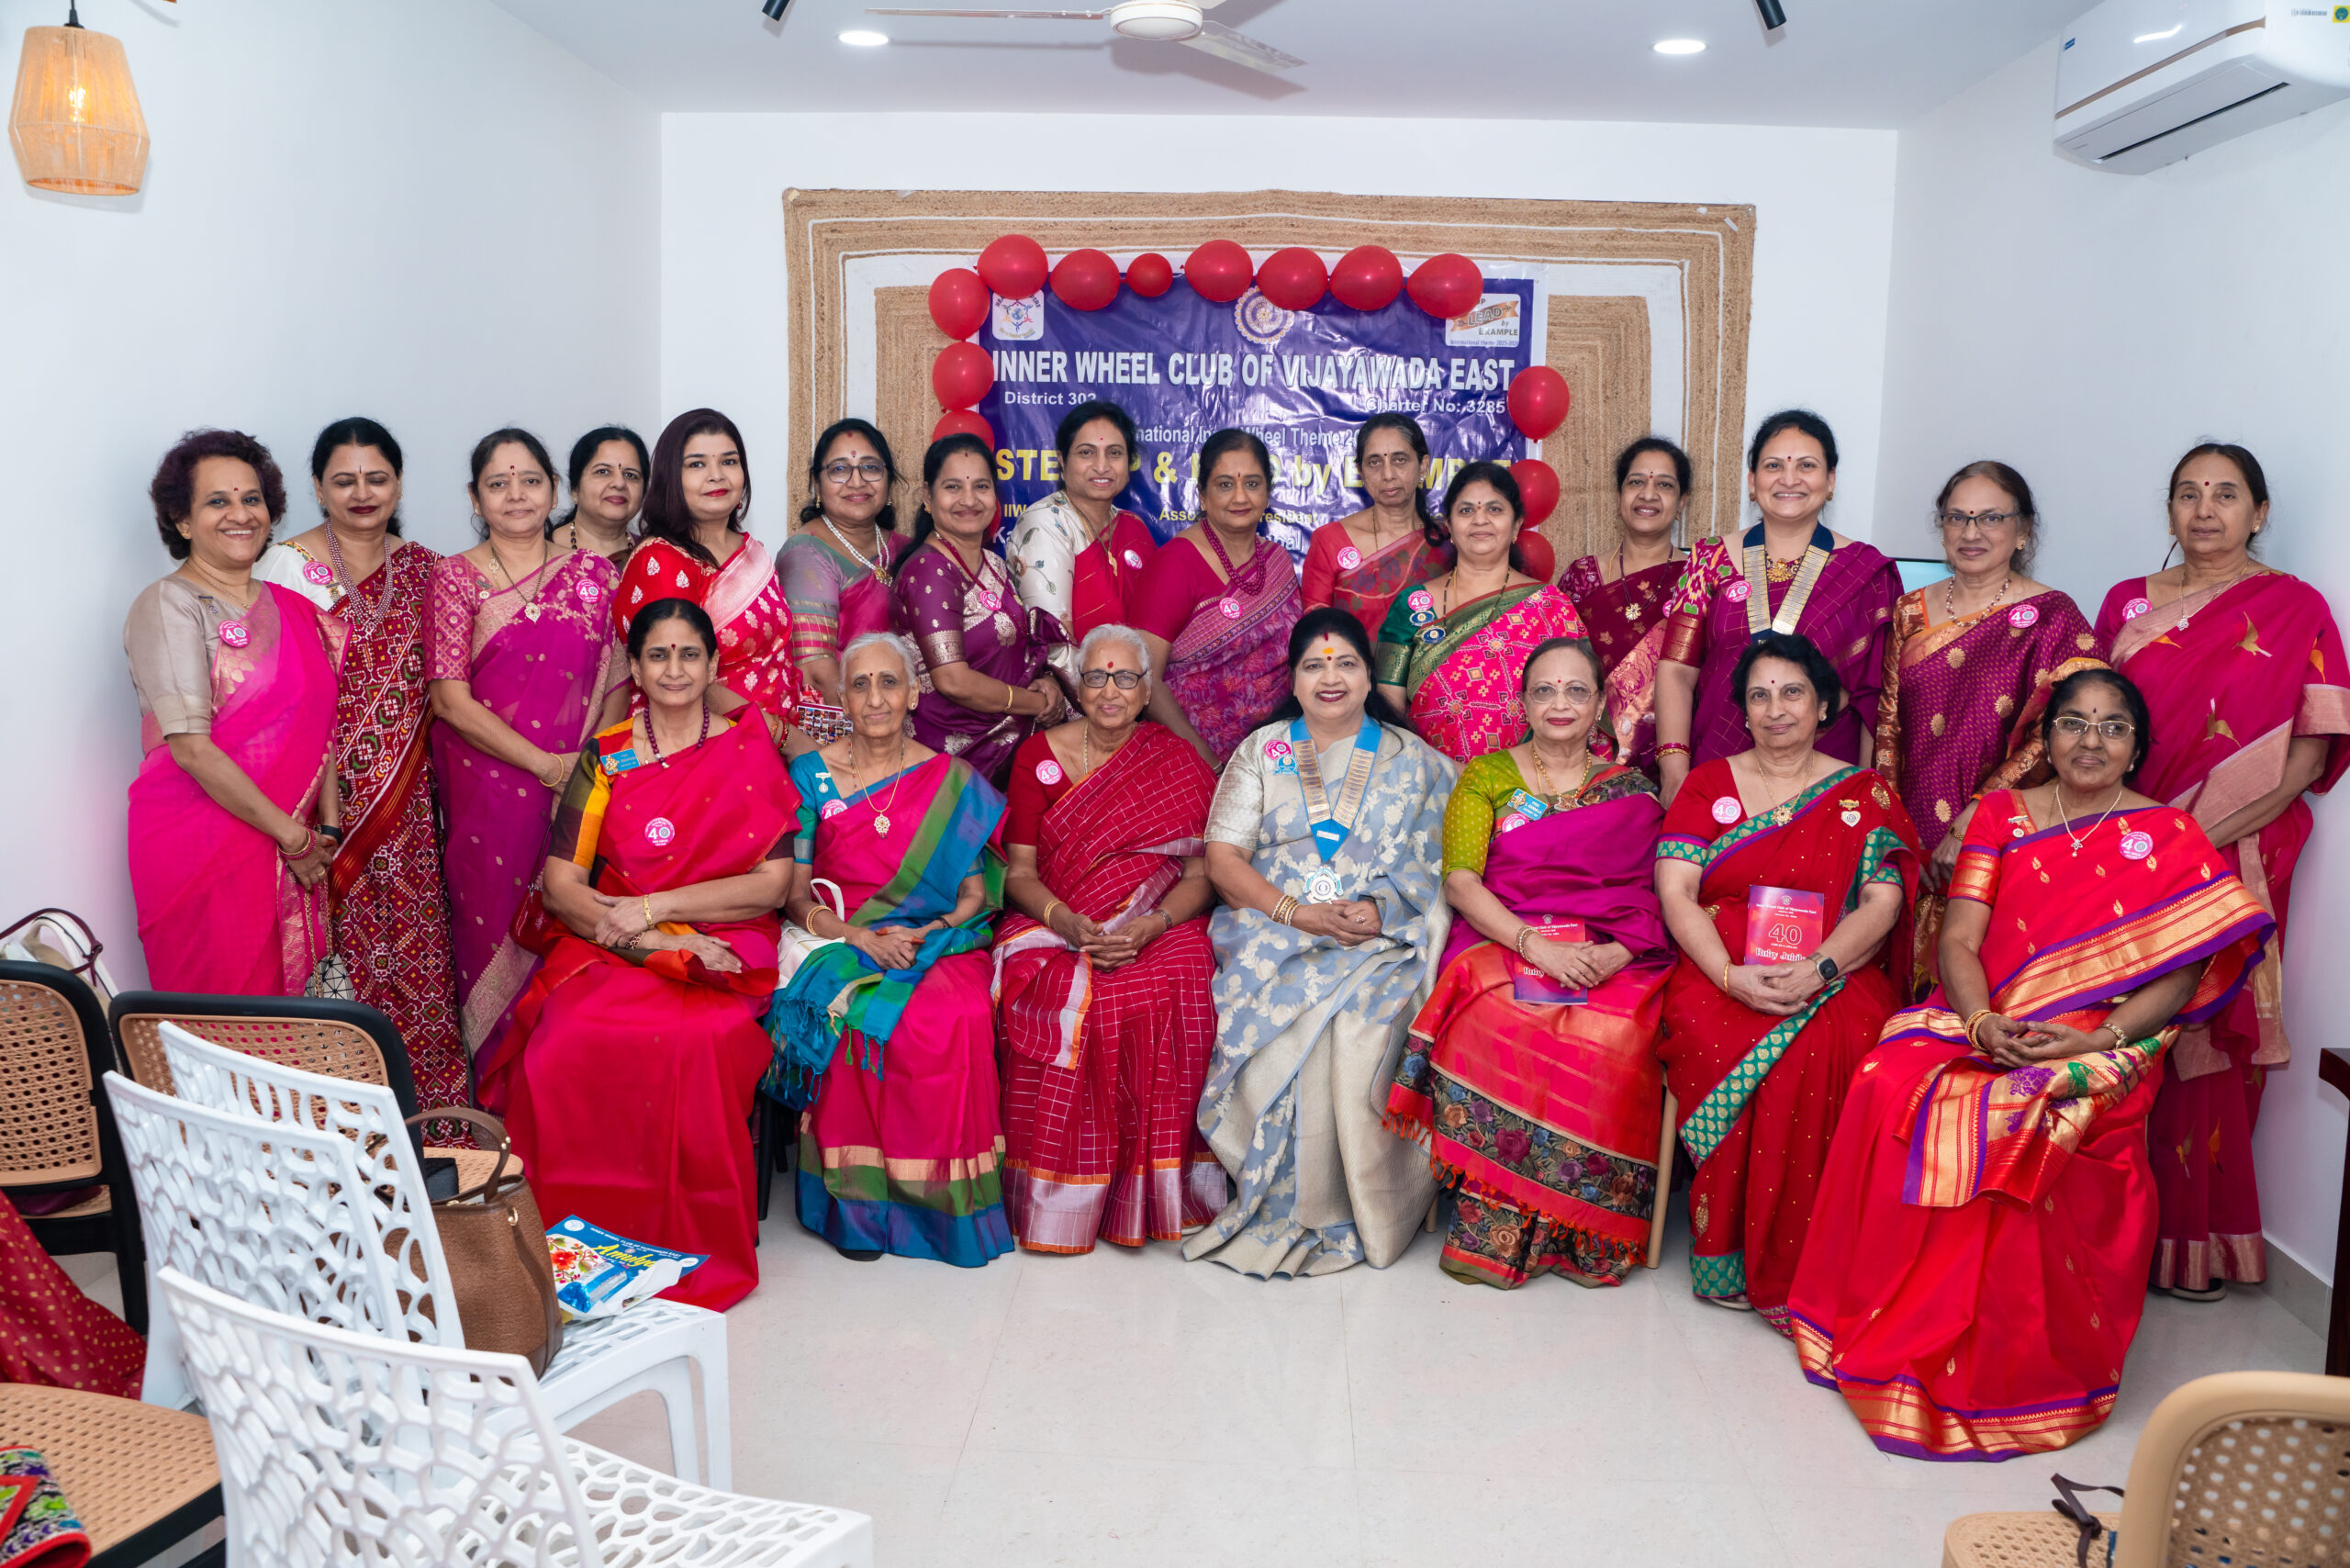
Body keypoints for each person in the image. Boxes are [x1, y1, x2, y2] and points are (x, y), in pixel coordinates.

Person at [1790, 669, 2275, 1460]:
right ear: (2046, 739)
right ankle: (1887, 1319)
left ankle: (2014, 1367)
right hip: (1983, 1015)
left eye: (2113, 727)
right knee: (1887, 1079)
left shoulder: (2169, 836)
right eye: (2074, 723)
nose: (2091, 741)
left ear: (2136, 748)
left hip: (2099, 1036)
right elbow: (1959, 939)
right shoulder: (2002, 815)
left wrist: (2097, 1040)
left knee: (2022, 1111)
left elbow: (2183, 973)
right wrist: (1981, 1022)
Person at [475, 600, 792, 1312]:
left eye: (689, 654)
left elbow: (771, 884)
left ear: (713, 665)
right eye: (658, 655)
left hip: (724, 936)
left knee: (701, 1039)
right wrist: (650, 936)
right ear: (638, 670)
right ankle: (572, 1250)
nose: (675, 669)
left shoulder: (746, 747)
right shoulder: (607, 754)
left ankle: (682, 1248)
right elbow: (563, 886)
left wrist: (660, 908)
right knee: (563, 1041)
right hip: (611, 938)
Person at [2093, 442, 2350, 1298]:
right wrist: (2141, 837)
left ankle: (2189, 1244)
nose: (2205, 510)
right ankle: (2096, 1234)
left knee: (2205, 1031)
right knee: (2106, 1019)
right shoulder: (2126, 603)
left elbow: (2307, 758)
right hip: (2124, 848)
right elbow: (2092, 725)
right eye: (2188, 493)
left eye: (2226, 494)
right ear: (2169, 508)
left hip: (2236, 851)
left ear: (2260, 512)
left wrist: (2197, 840)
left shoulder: (2296, 608)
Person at [1386, 637, 1675, 1288]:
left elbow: (1655, 892)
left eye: (1576, 690)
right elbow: (1462, 883)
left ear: (1600, 703)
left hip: (1609, 949)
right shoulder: (1487, 776)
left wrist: (1617, 952)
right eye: (1544, 690)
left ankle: (1583, 1230)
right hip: (1504, 937)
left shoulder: (1633, 790)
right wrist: (1533, 945)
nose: (1560, 703)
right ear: (1522, 703)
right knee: (1497, 1013)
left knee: (1616, 1030)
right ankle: (1499, 1223)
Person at [1652, 631, 1919, 1326]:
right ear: (1742, 709)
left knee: (1835, 1042)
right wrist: (1729, 976)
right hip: (1718, 967)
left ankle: (1806, 1260)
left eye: (1792, 692)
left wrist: (1819, 967)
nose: (1776, 710)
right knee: (1720, 1035)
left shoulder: (1862, 792)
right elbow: (1677, 892)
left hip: (1834, 966)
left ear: (1824, 704)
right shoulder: (1708, 784)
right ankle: (1728, 1250)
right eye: (1760, 696)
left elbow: (1883, 904)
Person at [1188, 609, 1454, 1276]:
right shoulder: (1264, 750)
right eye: (1314, 665)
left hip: (1378, 937)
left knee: (1356, 1025)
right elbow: (1223, 858)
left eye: (1346, 664)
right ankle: (1285, 1202)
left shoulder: (1417, 762)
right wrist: (1295, 913)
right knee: (1291, 1029)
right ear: (1293, 679)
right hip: (1272, 927)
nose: (1330, 678)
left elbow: (1441, 864)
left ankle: (1350, 1209)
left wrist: (1379, 908)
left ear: (1370, 675)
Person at [769, 633, 1013, 1266]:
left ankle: (936, 1210)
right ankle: (857, 1210)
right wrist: (858, 937)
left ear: (913, 694)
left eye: (889, 683)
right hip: (842, 934)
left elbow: (972, 892)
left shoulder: (952, 779)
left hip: (935, 939)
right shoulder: (811, 775)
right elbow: (794, 895)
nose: (875, 698)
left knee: (954, 1015)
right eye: (860, 684)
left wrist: (931, 932)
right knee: (852, 1016)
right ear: (842, 698)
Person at [252, 419, 464, 1109]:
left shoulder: (431, 569)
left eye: (377, 478)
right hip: (321, 808)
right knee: (333, 963)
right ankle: (342, 1124)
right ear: (318, 488)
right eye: (344, 480)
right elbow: (271, 694)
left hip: (412, 806)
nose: (362, 492)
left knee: (418, 958)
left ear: (399, 483)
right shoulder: (286, 568)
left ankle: (429, 1120)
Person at [994, 623, 1224, 1253]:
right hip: (1057, 919)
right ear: (1079, 686)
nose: (1110, 690)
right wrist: (1066, 921)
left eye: (1126, 677)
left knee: (1181, 975)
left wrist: (1152, 925)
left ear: (1148, 691)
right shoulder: (1037, 757)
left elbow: (1201, 877)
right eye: (1096, 676)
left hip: (1156, 922)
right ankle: (1063, 1194)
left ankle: (1150, 1190)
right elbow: (1018, 873)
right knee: (1067, 996)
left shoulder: (1174, 761)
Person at [429, 428, 629, 1056]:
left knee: (576, 928)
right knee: (488, 926)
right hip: (488, 794)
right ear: (475, 497)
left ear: (555, 489)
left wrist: (587, 773)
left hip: (581, 790)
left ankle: (562, 1081)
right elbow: (449, 699)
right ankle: (496, 1088)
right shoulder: (455, 578)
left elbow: (618, 683)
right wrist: (548, 766)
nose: (516, 495)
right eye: (498, 483)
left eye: (531, 480)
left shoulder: (596, 574)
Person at [126, 429, 343, 995]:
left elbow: (320, 725)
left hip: (293, 845)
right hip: (200, 844)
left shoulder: (294, 608)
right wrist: (293, 839)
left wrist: (325, 828)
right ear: (182, 520)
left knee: (294, 1017)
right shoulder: (168, 604)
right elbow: (192, 749)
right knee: (221, 1018)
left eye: (251, 498)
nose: (240, 514)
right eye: (217, 501)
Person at [1875, 461, 2103, 996]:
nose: (1971, 532)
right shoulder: (1910, 611)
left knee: (1980, 988)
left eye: (1991, 518)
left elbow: (2065, 733)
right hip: (1911, 833)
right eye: (1957, 517)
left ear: (2023, 531)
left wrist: (1974, 820)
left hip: (2005, 836)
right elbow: (1888, 724)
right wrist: (1894, 831)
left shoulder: (2053, 617)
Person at [1654, 410, 1901, 802]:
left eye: (1806, 465)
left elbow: (1877, 699)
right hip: (1718, 771)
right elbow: (1677, 671)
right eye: (1773, 466)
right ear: (1752, 482)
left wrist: (1866, 791)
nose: (1789, 479)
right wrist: (1673, 772)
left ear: (1830, 481)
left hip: (1827, 780)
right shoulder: (1709, 558)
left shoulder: (1867, 572)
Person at [1374, 461, 1585, 765]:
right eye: (1466, 510)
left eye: (1494, 509)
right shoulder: (1413, 606)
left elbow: (1580, 701)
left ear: (1516, 525)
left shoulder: (1551, 607)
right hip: (1434, 778)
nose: (1480, 519)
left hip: (1529, 782)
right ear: (1449, 526)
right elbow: (1388, 715)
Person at [892, 432, 1074, 787]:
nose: (969, 499)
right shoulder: (930, 569)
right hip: (951, 761)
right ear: (928, 497)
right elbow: (953, 680)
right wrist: (1036, 704)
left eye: (981, 486)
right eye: (953, 487)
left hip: (1009, 744)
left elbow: (1020, 647)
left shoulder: (993, 562)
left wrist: (1047, 681)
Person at [613, 408, 804, 722]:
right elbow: (677, 678)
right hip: (710, 738)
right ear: (671, 479)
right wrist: (782, 737)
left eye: (729, 462)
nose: (716, 475)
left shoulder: (753, 552)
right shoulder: (660, 561)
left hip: (783, 727)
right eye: (697, 464)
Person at [1134, 429, 1304, 766]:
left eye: (1252, 483)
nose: (1240, 497)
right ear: (1202, 495)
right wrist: (1208, 765)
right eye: (1225, 485)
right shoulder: (1175, 563)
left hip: (1278, 753)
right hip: (1193, 760)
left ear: (1267, 493)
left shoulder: (1278, 561)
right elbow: (1145, 676)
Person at [1562, 438, 1694, 778]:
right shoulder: (1583, 577)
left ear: (1682, 502)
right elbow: (1557, 670)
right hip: (1584, 761)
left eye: (1664, 485)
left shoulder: (1698, 579)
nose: (1648, 494)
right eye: (1636, 482)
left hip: (1676, 760)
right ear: (1619, 495)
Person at [779, 417, 914, 739]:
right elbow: (815, 670)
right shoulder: (807, 553)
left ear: (888, 480)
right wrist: (876, 734)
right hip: (849, 730)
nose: (857, 481)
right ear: (817, 483)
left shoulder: (907, 549)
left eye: (870, 467)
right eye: (839, 469)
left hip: (908, 719)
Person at [1004, 400, 1160, 642]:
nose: (1102, 466)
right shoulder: (1045, 523)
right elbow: (1055, 647)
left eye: (1114, 453)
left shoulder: (1133, 527)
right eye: (1086, 452)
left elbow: (1159, 626)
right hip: (1072, 666)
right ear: (1062, 461)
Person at [1301, 413, 1445, 645]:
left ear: (1423, 465)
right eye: (1375, 463)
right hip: (1351, 668)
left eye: (1400, 460)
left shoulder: (1449, 542)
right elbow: (1314, 633)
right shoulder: (1330, 540)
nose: (1388, 475)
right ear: (1361, 471)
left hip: (1437, 668)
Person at [555, 425, 649, 564]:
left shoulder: (652, 557)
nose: (619, 483)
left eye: (630, 475)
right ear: (574, 489)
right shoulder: (543, 555)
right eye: (603, 472)